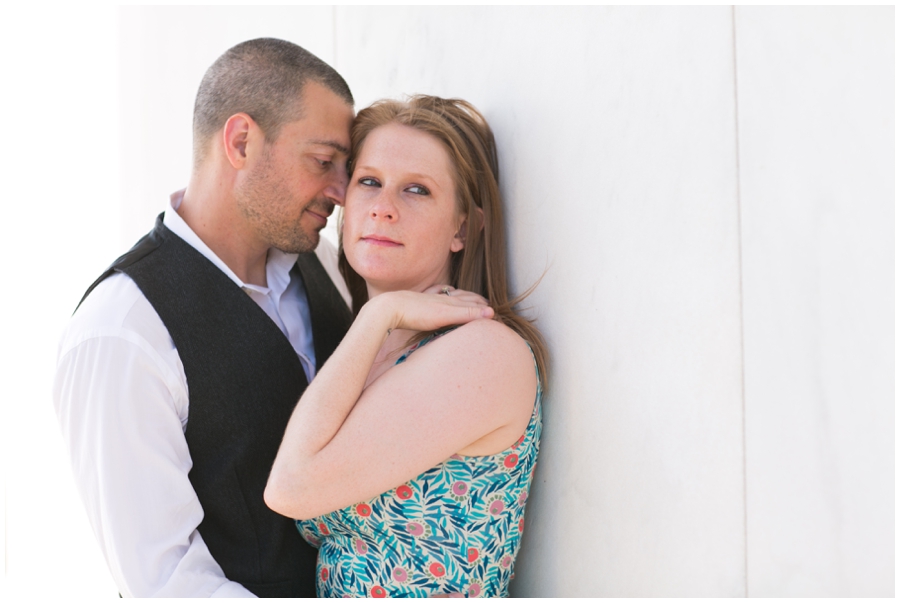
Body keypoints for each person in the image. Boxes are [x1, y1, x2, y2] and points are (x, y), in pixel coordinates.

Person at [53, 38, 370, 597]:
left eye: (346, 167)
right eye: (323, 162)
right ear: (241, 141)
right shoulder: (123, 330)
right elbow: (167, 581)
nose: (342, 192)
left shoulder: (321, 265)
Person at [264, 96, 549, 598]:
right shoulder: (377, 350)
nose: (383, 207)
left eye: (417, 190)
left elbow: (291, 488)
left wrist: (378, 313)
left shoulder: (483, 351)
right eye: (369, 181)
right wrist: (377, 321)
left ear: (463, 227)